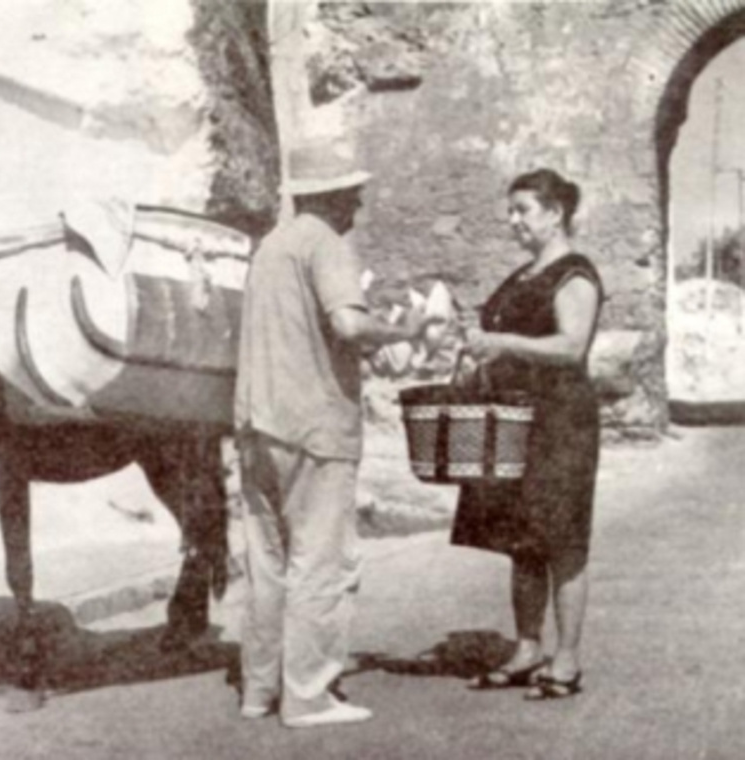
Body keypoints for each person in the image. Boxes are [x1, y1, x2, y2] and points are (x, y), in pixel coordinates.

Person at [234, 140, 437, 728]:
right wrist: (406, 329)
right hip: (314, 427)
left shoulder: (272, 247)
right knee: (321, 561)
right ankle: (309, 695)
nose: (360, 204)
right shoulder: (326, 244)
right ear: (333, 195)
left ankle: (259, 689)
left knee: (267, 562)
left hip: (257, 421)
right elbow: (347, 323)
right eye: (353, 193)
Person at [454, 168, 604, 701]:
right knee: (521, 541)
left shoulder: (574, 275)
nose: (511, 220)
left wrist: (501, 341)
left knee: (562, 541)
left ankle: (566, 660)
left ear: (555, 213)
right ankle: (526, 649)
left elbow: (570, 347)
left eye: (523, 210)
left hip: (561, 423)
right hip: (515, 420)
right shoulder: (523, 276)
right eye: (511, 210)